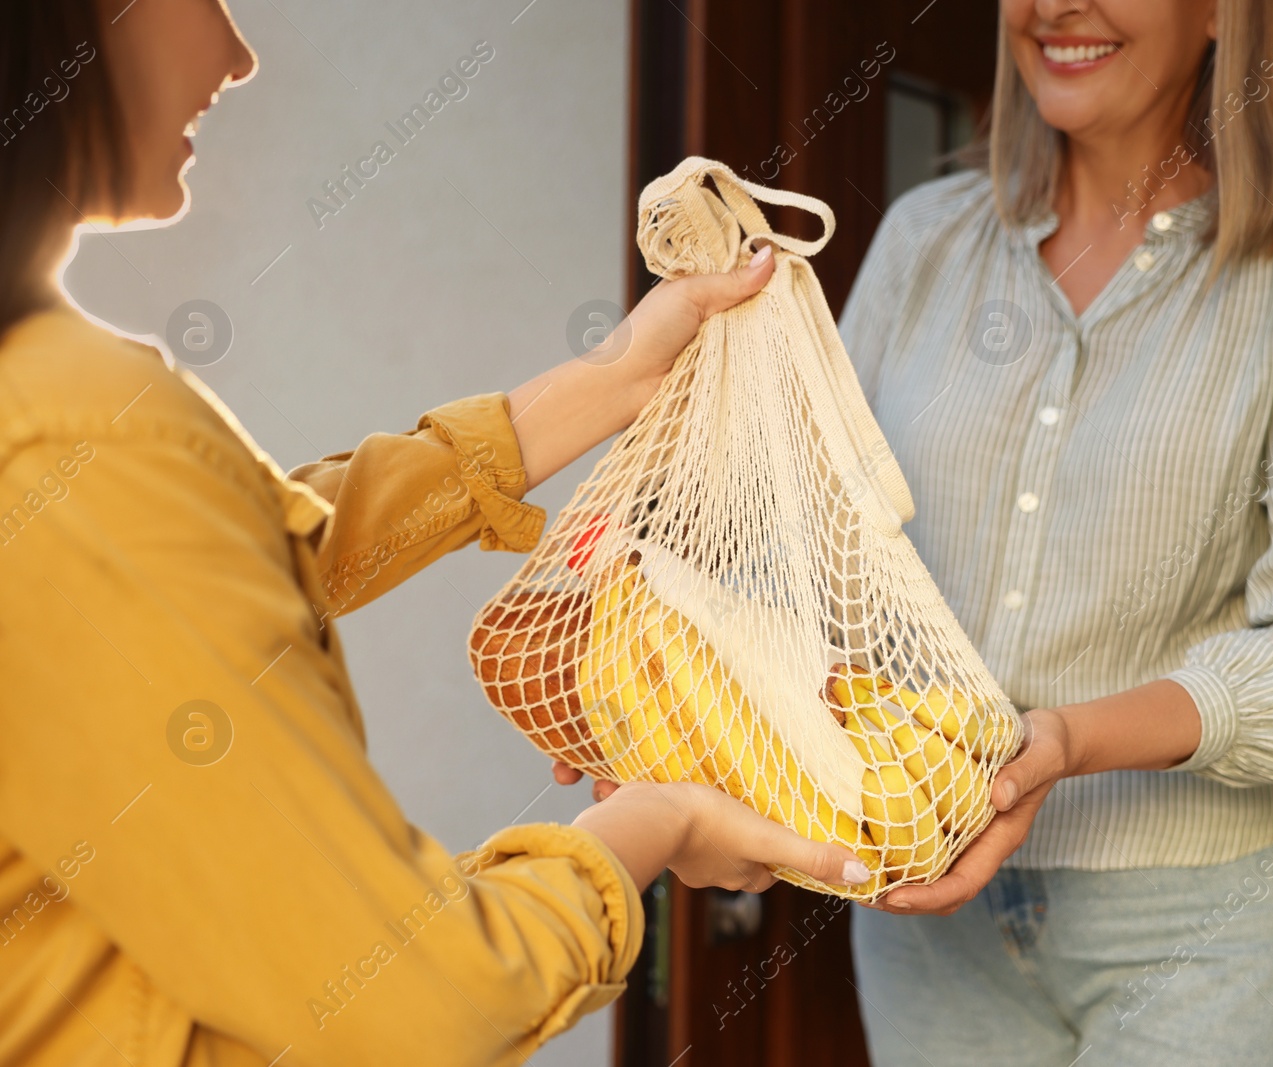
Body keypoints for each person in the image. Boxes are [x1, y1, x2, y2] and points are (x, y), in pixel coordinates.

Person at [0, 3, 868, 1064]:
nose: (238, 55)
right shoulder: (71, 431)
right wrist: (661, 820)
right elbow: (422, 1000)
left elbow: (230, 569)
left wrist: (614, 377)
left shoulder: (49, 424)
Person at [838, 1, 1273, 1064]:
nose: (1056, 6)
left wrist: (1065, 740)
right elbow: (809, 542)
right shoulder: (921, 240)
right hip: (927, 902)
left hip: (1194, 918)